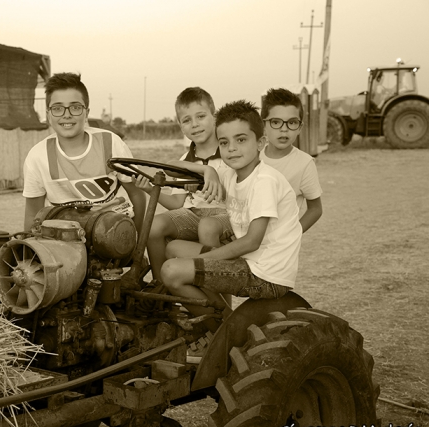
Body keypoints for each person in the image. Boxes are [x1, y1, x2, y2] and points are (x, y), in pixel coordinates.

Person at [161, 100, 302, 327]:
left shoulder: (264, 181)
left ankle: (226, 329)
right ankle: (221, 314)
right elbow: (169, 165)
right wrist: (207, 169)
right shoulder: (231, 174)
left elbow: (252, 241)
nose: (232, 148)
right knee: (172, 248)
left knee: (171, 271)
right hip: (250, 262)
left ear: (261, 142)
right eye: (224, 143)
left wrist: (201, 260)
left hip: (265, 274)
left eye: (241, 140)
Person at [22, 73, 147, 232]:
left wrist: (135, 239)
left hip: (112, 230)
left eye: (75, 107)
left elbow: (137, 194)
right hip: (64, 235)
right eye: (57, 108)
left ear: (86, 112)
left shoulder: (110, 143)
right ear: (48, 114)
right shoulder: (37, 157)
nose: (67, 115)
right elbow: (33, 213)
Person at [134, 87, 230, 284]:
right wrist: (150, 190)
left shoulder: (229, 152)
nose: (194, 125)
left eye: (201, 116)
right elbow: (177, 204)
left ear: (214, 116)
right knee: (153, 224)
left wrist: (211, 174)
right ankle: (162, 284)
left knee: (207, 226)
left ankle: (215, 294)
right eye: (187, 120)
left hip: (224, 216)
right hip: (192, 214)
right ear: (181, 126)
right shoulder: (185, 160)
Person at [260, 88, 323, 232]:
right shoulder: (253, 157)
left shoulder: (304, 164)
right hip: (248, 242)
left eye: (292, 122)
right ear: (263, 125)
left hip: (281, 250)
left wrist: (292, 234)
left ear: (300, 127)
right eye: (276, 122)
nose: (284, 129)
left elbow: (316, 209)